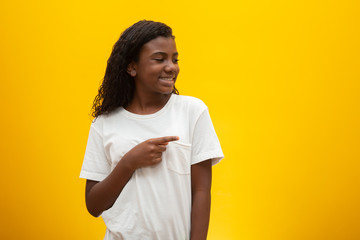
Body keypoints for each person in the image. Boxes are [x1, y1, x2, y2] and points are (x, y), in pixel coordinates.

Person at [80, 20, 224, 240]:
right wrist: (129, 162)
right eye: (159, 59)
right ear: (132, 67)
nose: (171, 67)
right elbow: (93, 205)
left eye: (174, 59)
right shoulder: (104, 123)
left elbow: (201, 192)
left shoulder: (192, 111)